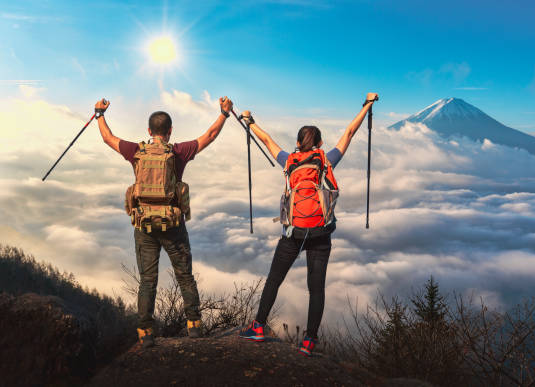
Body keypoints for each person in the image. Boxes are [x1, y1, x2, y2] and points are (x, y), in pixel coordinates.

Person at [238, 92, 379, 356]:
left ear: (297, 142)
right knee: (316, 288)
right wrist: (367, 105)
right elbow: (349, 132)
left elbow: (266, 140)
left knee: (274, 280)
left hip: (293, 233)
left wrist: (249, 120)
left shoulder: (289, 161)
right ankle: (309, 341)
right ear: (320, 142)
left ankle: (258, 327)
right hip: (320, 233)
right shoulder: (326, 159)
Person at [95, 96, 234, 348]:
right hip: (173, 226)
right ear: (170, 131)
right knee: (185, 277)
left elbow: (108, 138)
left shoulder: (136, 151)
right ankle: (194, 325)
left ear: (149, 131)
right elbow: (210, 135)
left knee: (148, 280)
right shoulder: (179, 152)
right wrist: (224, 113)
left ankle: (145, 331)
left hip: (144, 226)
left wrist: (99, 113)